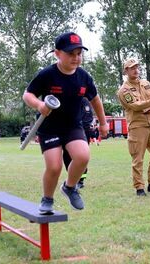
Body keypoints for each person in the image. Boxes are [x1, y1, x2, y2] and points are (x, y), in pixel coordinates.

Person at [23, 32, 108, 214]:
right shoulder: (47, 74)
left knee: (83, 156)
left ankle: (70, 187)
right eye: (71, 54)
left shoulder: (84, 77)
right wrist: (39, 105)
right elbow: (27, 95)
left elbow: (95, 100)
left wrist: (103, 123)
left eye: (79, 53)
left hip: (72, 126)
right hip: (49, 128)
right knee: (54, 166)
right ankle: (47, 199)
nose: (76, 58)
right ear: (57, 54)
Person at [117, 58, 150, 196]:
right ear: (126, 71)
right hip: (137, 126)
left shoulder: (146, 83)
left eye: (137, 67)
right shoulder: (124, 90)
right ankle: (139, 187)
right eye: (132, 68)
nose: (136, 70)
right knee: (138, 158)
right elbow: (134, 105)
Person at [62, 97, 94, 189]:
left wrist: (79, 129)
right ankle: (72, 178)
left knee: (80, 156)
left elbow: (88, 117)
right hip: (67, 131)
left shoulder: (83, 101)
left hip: (82, 132)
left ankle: (81, 180)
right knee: (67, 155)